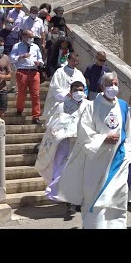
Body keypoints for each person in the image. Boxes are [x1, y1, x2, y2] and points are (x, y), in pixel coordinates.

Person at [56, 72, 131, 229]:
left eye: (115, 84)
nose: (113, 87)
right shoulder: (91, 106)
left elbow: (128, 133)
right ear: (101, 86)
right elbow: (84, 132)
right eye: (109, 84)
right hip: (96, 161)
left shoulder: (122, 106)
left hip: (118, 161)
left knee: (117, 198)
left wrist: (128, 154)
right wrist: (103, 139)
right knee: (97, 198)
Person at [35, 80, 89, 214]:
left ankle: (79, 200)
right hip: (66, 142)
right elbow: (56, 123)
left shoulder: (90, 106)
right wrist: (63, 133)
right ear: (70, 92)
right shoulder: (62, 106)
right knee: (65, 171)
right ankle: (68, 201)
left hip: (84, 144)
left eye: (81, 90)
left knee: (82, 173)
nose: (79, 92)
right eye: (76, 90)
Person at [9, 30, 44, 125]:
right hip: (22, 71)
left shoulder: (35, 46)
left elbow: (40, 58)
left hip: (34, 71)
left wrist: (39, 63)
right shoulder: (17, 46)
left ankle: (36, 116)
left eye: (32, 36)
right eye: (29, 36)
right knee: (21, 93)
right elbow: (11, 59)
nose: (31, 38)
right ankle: (19, 109)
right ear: (24, 37)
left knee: (36, 95)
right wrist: (21, 56)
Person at [41, 52, 86, 121]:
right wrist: (68, 94)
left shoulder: (79, 74)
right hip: (61, 103)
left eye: (76, 61)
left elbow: (84, 88)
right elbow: (54, 87)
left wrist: (79, 95)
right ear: (68, 60)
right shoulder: (60, 72)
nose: (75, 63)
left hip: (75, 104)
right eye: (73, 61)